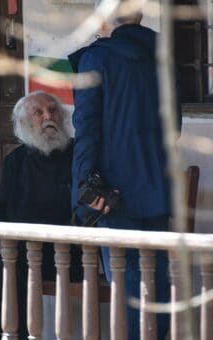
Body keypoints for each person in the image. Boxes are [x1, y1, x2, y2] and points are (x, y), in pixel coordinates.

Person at [68, 11, 182, 340]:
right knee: (158, 285)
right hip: (158, 187)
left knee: (127, 288)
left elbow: (86, 132)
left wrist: (82, 194)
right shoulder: (162, 57)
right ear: (140, 17)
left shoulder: (97, 58)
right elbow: (173, 127)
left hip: (112, 195)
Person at [0, 91, 83, 339]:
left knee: (11, 263)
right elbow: (2, 208)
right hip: (26, 253)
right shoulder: (16, 161)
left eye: (53, 111)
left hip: (70, 253)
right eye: (38, 112)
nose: (48, 116)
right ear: (23, 124)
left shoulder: (78, 155)